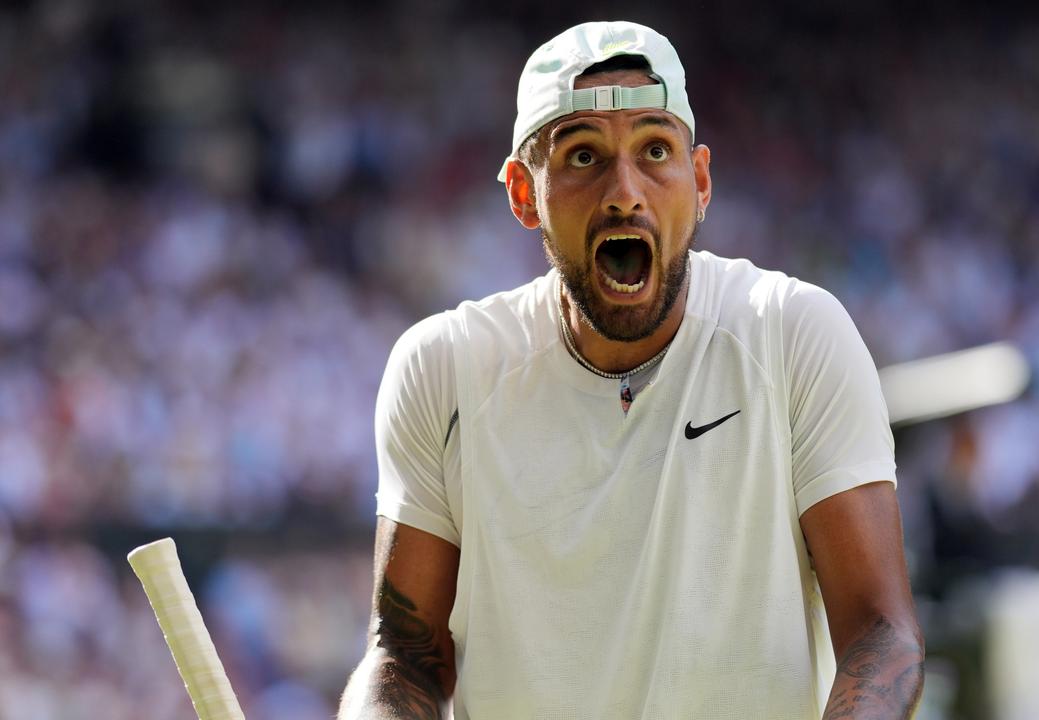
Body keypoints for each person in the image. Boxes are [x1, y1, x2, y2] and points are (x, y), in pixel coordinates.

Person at [339, 20, 923, 720]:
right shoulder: (444, 367)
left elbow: (881, 635)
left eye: (654, 150)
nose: (625, 192)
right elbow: (404, 657)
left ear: (699, 180)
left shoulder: (792, 334)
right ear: (524, 194)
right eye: (583, 156)